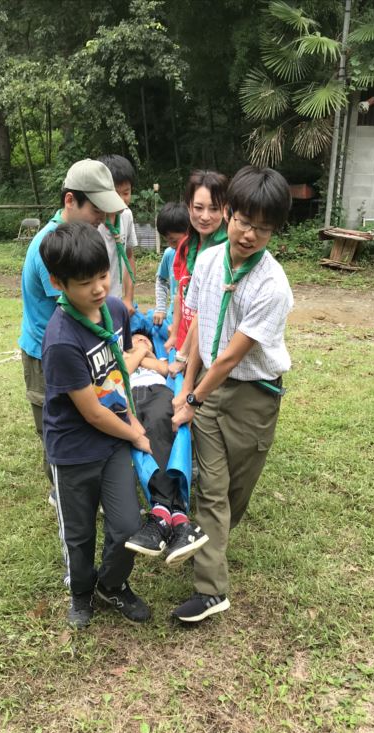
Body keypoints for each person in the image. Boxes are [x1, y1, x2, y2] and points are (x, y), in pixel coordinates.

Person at [170, 166, 294, 624]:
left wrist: (193, 399)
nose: (249, 234)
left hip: (252, 398)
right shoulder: (207, 261)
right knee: (212, 491)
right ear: (229, 214)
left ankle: (210, 543)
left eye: (262, 228)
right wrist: (187, 391)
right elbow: (204, 326)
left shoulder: (272, 286)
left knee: (235, 495)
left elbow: (231, 358)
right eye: (243, 221)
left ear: (273, 230)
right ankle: (210, 589)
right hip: (207, 391)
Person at [39, 221, 152, 629]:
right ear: (59, 282)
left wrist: (142, 351)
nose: (100, 288)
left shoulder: (114, 310)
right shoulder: (61, 339)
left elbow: (117, 370)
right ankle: (81, 592)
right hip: (74, 452)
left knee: (127, 528)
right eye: (86, 282)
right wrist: (136, 433)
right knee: (80, 534)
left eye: (103, 276)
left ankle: (112, 585)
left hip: (112, 443)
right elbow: (91, 412)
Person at [18, 160, 125, 499]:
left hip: (80, 350)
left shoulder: (78, 240)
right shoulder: (53, 249)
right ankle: (62, 490)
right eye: (96, 209)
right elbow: (70, 315)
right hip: (45, 354)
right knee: (57, 423)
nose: (102, 219)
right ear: (70, 201)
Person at [123, 333, 208, 565]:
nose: (140, 341)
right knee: (134, 436)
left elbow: (164, 369)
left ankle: (162, 514)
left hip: (157, 393)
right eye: (135, 339)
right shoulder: (119, 356)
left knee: (160, 427)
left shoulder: (160, 357)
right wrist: (140, 353)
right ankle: (178, 518)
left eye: (145, 339)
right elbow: (123, 372)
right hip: (125, 397)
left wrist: (142, 356)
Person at [164, 170, 228, 364]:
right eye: (198, 207)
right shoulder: (184, 246)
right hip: (184, 340)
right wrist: (175, 334)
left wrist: (183, 355)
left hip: (209, 349)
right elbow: (179, 294)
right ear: (188, 206)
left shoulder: (228, 252)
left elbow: (207, 310)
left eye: (214, 209)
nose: (205, 216)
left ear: (226, 209)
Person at [97, 155, 138, 316]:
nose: (121, 200)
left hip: (118, 302)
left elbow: (129, 256)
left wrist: (128, 298)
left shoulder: (126, 215)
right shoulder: (93, 223)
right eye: (115, 194)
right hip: (96, 302)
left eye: (126, 193)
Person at [153, 203, 190, 327]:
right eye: (166, 240)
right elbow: (161, 279)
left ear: (188, 231)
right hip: (172, 318)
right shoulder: (169, 253)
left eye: (173, 240)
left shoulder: (199, 256)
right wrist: (161, 308)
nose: (170, 245)